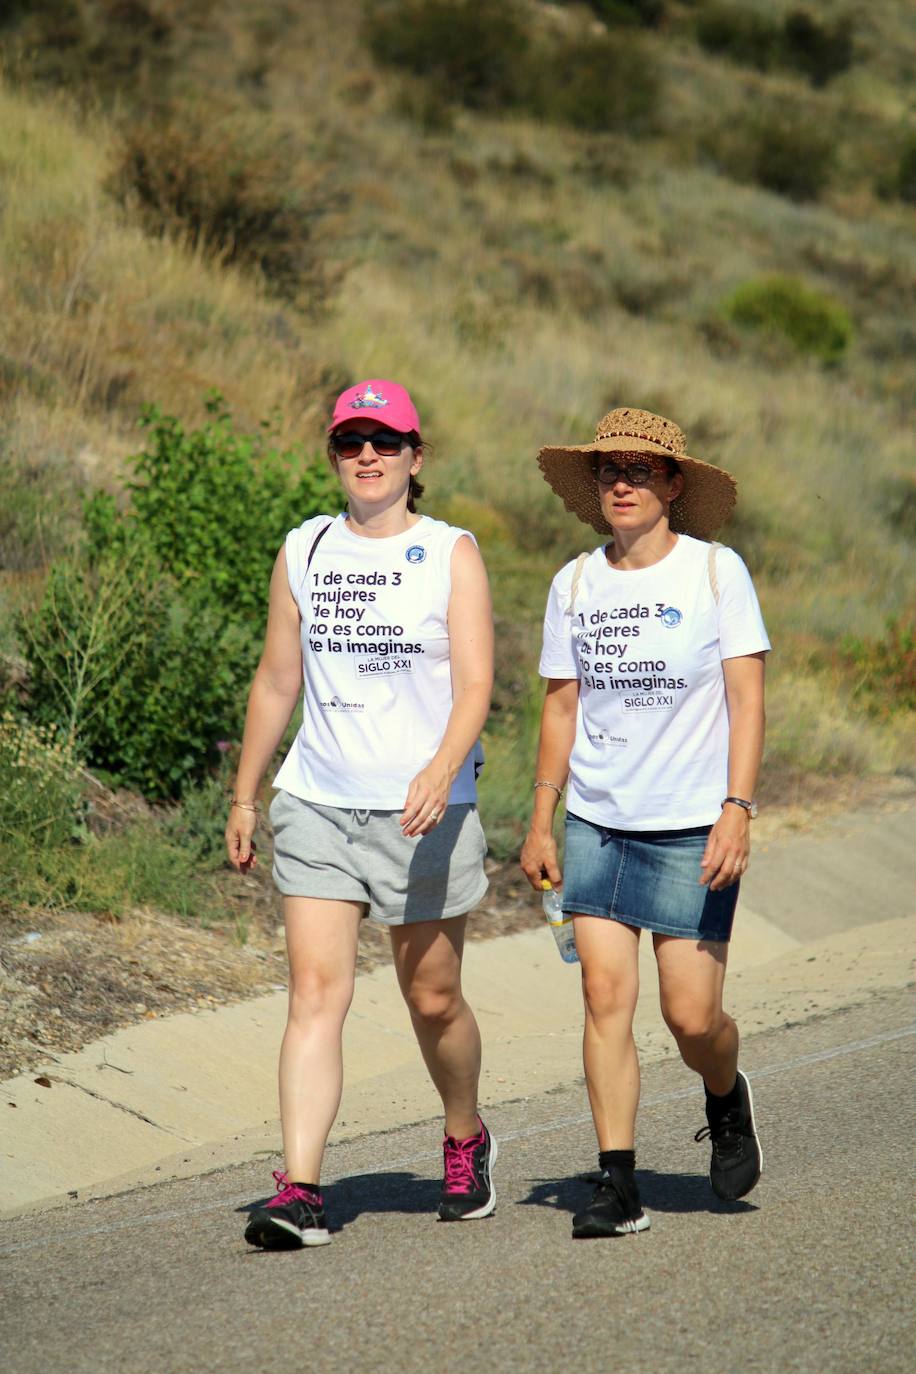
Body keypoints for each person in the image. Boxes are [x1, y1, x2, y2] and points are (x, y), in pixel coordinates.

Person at [227, 379, 496, 1248]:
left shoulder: (451, 552)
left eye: (386, 441)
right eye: (351, 442)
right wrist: (246, 792)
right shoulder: (304, 549)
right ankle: (301, 1189)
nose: (368, 456)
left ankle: (465, 1135)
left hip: (425, 811)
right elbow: (277, 679)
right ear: (335, 456)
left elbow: (475, 684)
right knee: (315, 993)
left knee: (434, 996)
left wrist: (441, 768)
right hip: (318, 802)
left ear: (417, 458)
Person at [520, 406, 770, 1239]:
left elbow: (746, 698)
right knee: (603, 994)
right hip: (597, 818)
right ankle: (617, 1182)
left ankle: (725, 1096)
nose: (620, 483)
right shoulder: (575, 583)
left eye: (638, 469)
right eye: (606, 470)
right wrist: (541, 819)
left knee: (693, 1018)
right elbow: (560, 708)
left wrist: (737, 809)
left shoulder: (715, 573)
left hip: (694, 825)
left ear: (672, 484)